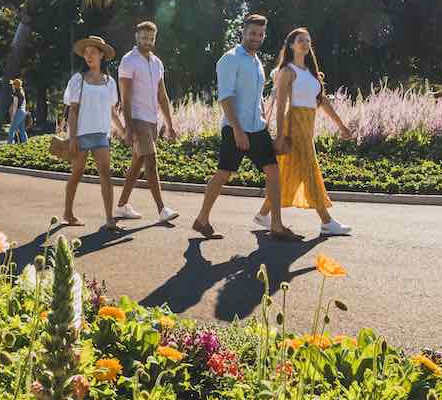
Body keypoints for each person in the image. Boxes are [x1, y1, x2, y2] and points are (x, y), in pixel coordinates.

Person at [194, 14, 292, 241]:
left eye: (260, 34)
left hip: (257, 128)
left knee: (273, 170)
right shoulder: (230, 59)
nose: (256, 38)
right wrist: (237, 129)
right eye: (252, 33)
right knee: (223, 173)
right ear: (243, 32)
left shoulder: (256, 61)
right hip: (235, 128)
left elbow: (256, 97)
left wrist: (265, 121)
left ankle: (276, 225)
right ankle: (201, 219)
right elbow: (225, 97)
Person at [257, 27, 353, 236]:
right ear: (291, 45)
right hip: (294, 125)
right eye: (300, 40)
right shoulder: (287, 71)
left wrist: (341, 125)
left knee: (290, 173)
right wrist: (281, 135)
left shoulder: (310, 73)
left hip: (308, 125)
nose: (305, 43)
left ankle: (264, 214)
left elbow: (322, 102)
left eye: (308, 40)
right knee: (309, 169)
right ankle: (326, 221)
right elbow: (281, 105)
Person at [114, 21, 180, 224]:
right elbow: (124, 96)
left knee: (138, 163)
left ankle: (122, 205)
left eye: (151, 38)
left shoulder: (157, 63)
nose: (147, 41)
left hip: (152, 120)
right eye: (144, 37)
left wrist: (169, 124)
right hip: (137, 118)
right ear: (137, 37)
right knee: (151, 161)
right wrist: (128, 127)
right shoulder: (128, 60)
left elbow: (162, 95)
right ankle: (162, 209)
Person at [60, 36, 126, 229]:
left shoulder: (109, 82)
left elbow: (112, 111)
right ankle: (68, 213)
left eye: (93, 52)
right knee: (76, 174)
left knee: (106, 174)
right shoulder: (78, 80)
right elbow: (72, 111)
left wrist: (123, 131)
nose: (89, 56)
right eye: (86, 52)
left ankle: (109, 219)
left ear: (102, 55)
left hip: (101, 135)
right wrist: (72, 137)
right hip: (81, 135)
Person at [6, 78, 29, 143]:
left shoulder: (16, 94)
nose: (12, 86)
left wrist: (13, 116)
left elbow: (15, 106)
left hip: (19, 111)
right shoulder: (22, 92)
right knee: (22, 129)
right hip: (23, 111)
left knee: (11, 129)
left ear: (15, 85)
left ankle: (9, 144)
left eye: (13, 84)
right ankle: (25, 143)